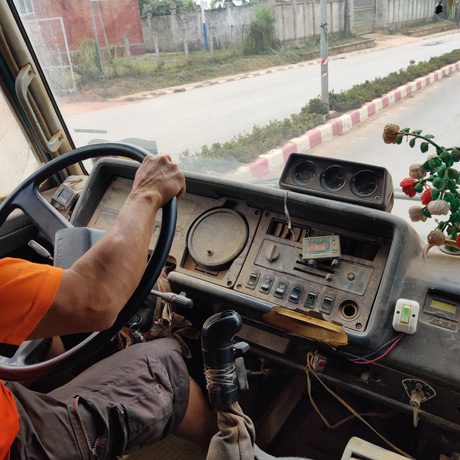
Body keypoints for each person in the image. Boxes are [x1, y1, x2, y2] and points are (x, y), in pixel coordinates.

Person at [0, 155, 216, 459]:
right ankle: (236, 448)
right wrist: (147, 192)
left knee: (40, 335)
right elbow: (99, 299)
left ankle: (77, 404)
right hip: (14, 446)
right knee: (163, 365)